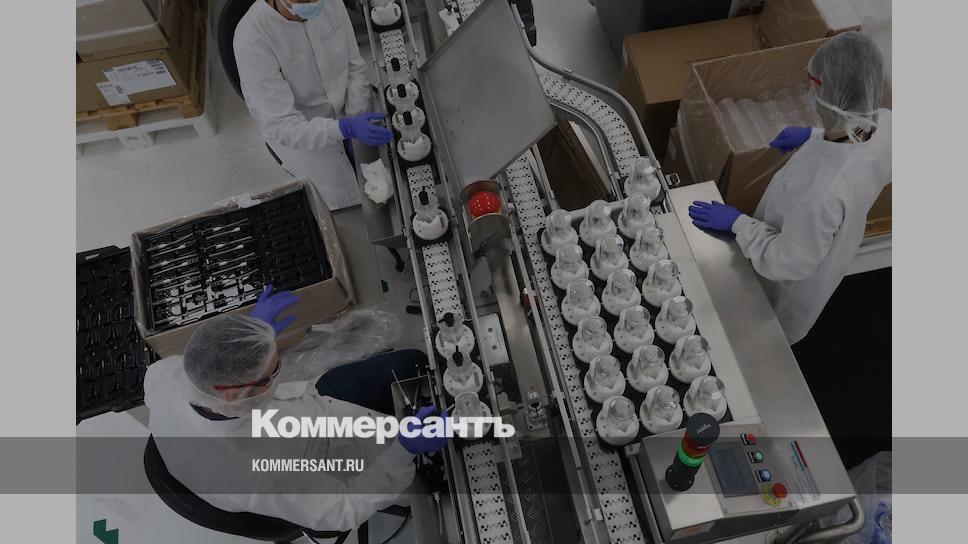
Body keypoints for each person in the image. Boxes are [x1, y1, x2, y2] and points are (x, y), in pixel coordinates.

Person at [143, 286, 447, 532]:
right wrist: (404, 450)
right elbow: (345, 509)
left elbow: (214, 359)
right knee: (434, 466)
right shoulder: (252, 474)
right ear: (235, 394)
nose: (279, 372)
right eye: (274, 370)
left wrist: (256, 332)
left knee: (411, 364)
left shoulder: (164, 375)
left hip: (312, 406)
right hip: (326, 466)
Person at [688, 32, 890, 345]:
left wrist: (738, 223)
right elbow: (858, 148)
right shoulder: (885, 125)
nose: (809, 88)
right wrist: (814, 135)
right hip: (823, 242)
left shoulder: (823, 193)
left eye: (812, 80)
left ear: (825, 89)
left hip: (779, 292)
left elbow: (786, 261)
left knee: (753, 340)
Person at [234, 0, 394, 210]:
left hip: (350, 106)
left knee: (389, 173)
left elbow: (354, 65)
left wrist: (356, 114)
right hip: (302, 133)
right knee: (349, 202)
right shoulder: (252, 39)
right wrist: (343, 129)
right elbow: (282, 126)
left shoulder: (329, 2)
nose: (313, 3)